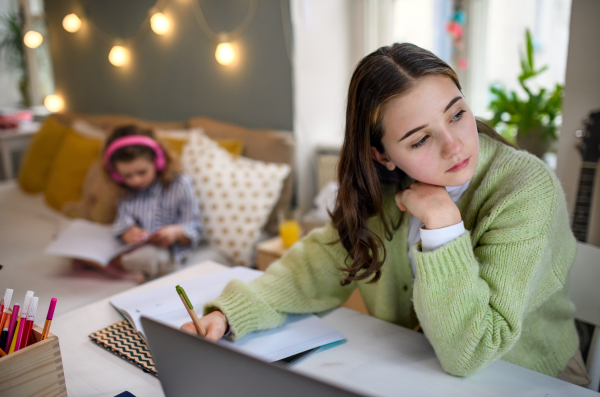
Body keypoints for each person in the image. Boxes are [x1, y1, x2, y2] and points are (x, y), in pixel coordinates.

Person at [181, 43, 589, 385]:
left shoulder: (525, 188)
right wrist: (231, 313)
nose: (454, 146)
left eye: (457, 114)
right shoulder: (381, 190)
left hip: (529, 378)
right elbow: (315, 267)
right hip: (419, 372)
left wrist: (444, 225)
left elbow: (473, 351)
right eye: (420, 139)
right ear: (382, 155)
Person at [103, 124, 202, 282]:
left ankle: (116, 268)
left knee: (146, 257)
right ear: (116, 175)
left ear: (159, 162)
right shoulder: (126, 193)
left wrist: (175, 232)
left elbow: (194, 227)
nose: (135, 180)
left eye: (142, 172)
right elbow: (123, 220)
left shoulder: (180, 184)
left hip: (169, 251)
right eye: (127, 175)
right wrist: (128, 231)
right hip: (136, 247)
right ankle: (119, 267)